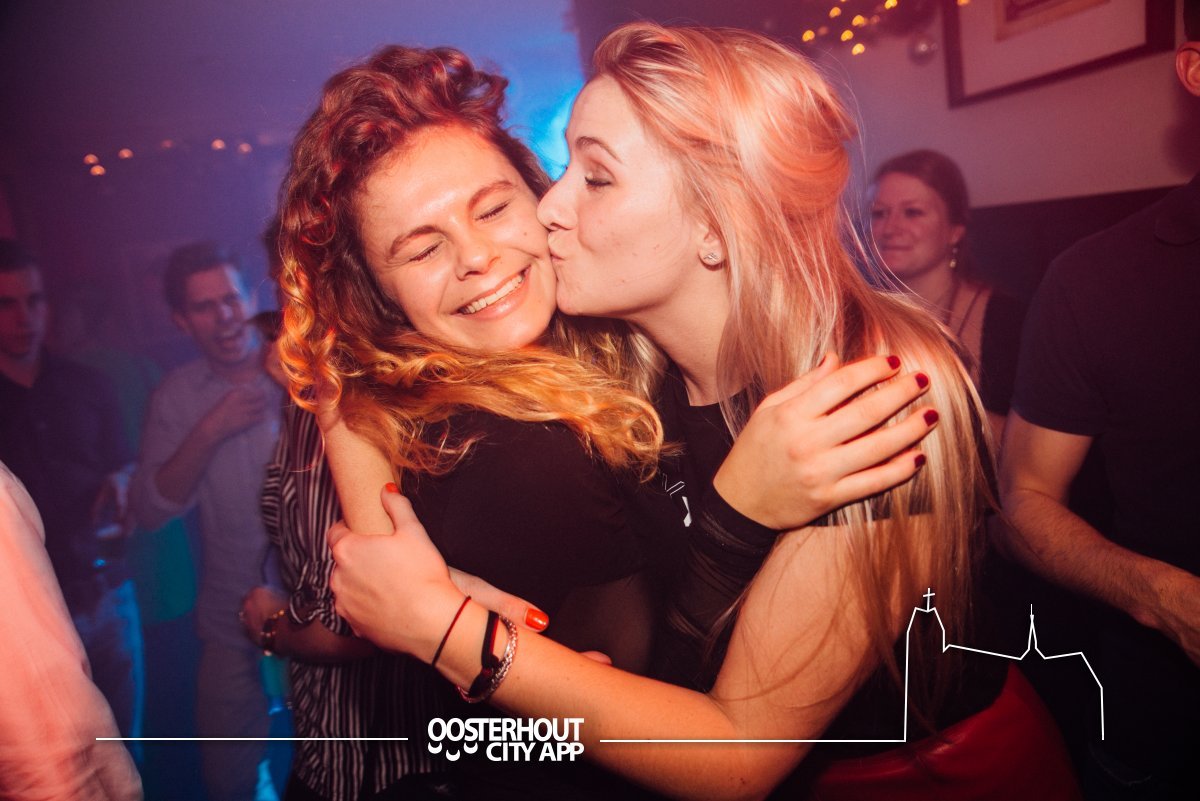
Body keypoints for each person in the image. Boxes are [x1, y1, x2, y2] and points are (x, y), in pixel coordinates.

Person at [326, 23, 1080, 801]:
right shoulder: (627, 353)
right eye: (565, 167)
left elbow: (738, 755)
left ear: (715, 225)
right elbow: (353, 372)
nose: (549, 206)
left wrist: (443, 626)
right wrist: (415, 564)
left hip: (927, 778)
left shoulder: (870, 388)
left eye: (597, 177)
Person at [999, 5, 1200, 797]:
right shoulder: (1097, 279)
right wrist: (1163, 597)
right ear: (1195, 70)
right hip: (1165, 733)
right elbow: (1023, 502)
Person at [130, 242, 283, 801]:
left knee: (341, 770)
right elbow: (150, 510)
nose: (224, 316)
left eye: (231, 299)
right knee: (228, 782)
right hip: (229, 617)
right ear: (182, 320)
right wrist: (211, 429)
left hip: (324, 612)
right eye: (204, 306)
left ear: (250, 299)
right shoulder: (177, 395)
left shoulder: (298, 368)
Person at [0, 238, 144, 750]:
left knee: (127, 751)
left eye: (34, 300)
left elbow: (122, 464)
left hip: (106, 592)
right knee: (64, 761)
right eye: (7, 303)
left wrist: (122, 483)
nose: (24, 317)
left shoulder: (88, 384)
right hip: (29, 617)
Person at [0, 459, 142, 800]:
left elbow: (123, 459)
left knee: (126, 740)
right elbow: (57, 766)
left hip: (101, 586)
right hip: (58, 609)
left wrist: (122, 477)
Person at [869, 149, 1026, 441]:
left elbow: (1030, 446)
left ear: (955, 230)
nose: (889, 228)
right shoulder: (851, 314)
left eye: (912, 212)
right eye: (879, 213)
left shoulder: (1008, 320)